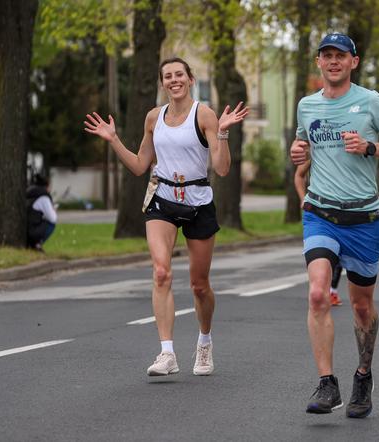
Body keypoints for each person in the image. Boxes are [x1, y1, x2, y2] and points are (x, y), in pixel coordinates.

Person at [84, 57, 248, 376]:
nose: (174, 80)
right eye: (167, 76)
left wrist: (224, 134)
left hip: (198, 201)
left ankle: (204, 342)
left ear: (190, 79)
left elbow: (222, 168)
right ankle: (167, 353)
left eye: (179, 75)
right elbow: (139, 165)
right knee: (161, 272)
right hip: (163, 198)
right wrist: (114, 140)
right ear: (162, 83)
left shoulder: (204, 114)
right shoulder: (152, 118)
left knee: (199, 285)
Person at [290, 33, 379, 418]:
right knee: (317, 294)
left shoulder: (371, 102)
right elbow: (303, 147)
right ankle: (328, 384)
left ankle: (363, 374)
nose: (333, 62)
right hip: (320, 212)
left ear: (353, 62)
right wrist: (298, 151)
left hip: (363, 218)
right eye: (326, 56)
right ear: (318, 62)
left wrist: (370, 147)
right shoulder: (306, 106)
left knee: (362, 306)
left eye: (340, 56)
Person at [295, 161, 343, 306]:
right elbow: (299, 175)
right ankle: (329, 291)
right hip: (320, 214)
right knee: (325, 256)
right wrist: (303, 198)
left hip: (349, 212)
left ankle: (332, 290)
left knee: (341, 256)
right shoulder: (318, 148)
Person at [26, 174, 57, 251]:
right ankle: (37, 245)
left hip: (25, 229)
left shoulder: (30, 194)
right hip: (32, 233)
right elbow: (53, 218)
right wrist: (54, 210)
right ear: (47, 186)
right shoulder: (43, 197)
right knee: (51, 223)